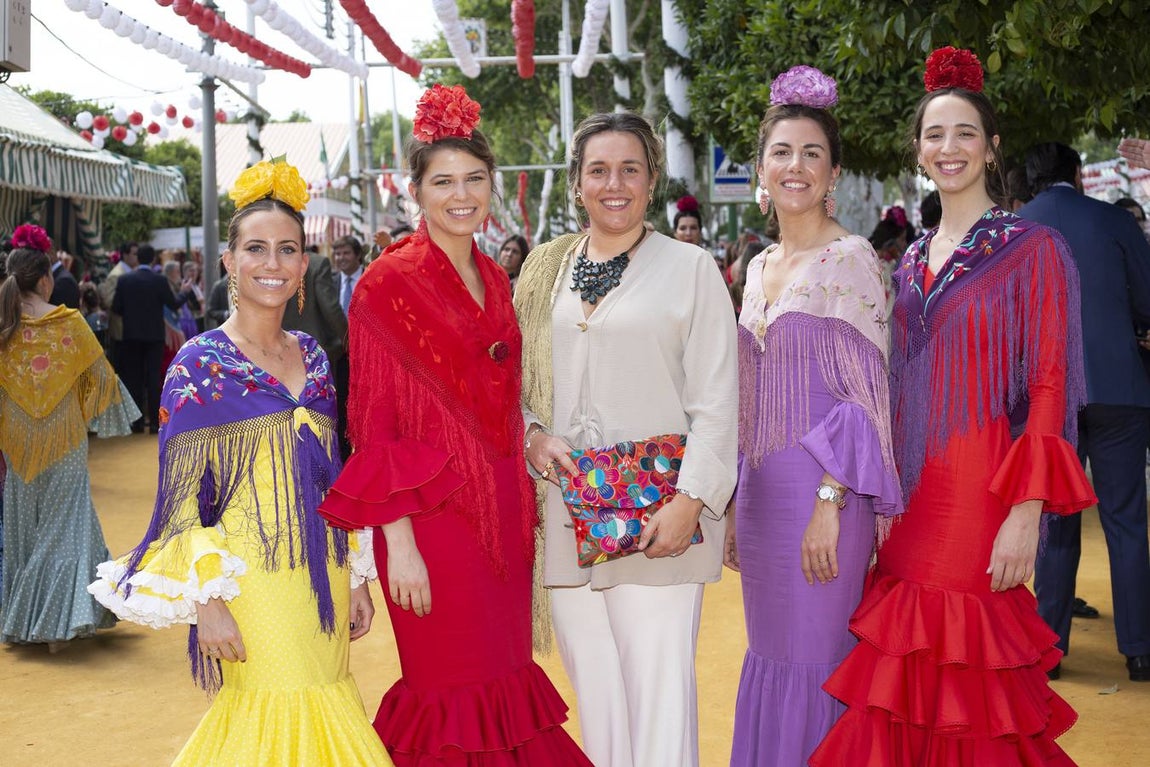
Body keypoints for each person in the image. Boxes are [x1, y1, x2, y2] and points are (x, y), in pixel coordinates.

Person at [812, 47, 1095, 765]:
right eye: (935, 135)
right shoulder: (907, 260)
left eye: (965, 132)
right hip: (910, 498)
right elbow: (889, 388)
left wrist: (1026, 513)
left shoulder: (1033, 248)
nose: (949, 147)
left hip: (982, 496)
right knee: (905, 684)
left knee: (969, 690)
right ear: (918, 151)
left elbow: (1050, 388)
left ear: (992, 146)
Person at [317, 85, 591, 766]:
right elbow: (374, 427)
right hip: (428, 525)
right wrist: (399, 543)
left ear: (492, 185)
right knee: (449, 692)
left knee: (502, 682)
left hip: (502, 514)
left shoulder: (498, 280)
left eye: (474, 179)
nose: (460, 194)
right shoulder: (386, 283)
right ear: (416, 189)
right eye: (443, 181)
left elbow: (503, 405)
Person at [88, 158, 389, 765]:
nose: (272, 264)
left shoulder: (314, 356)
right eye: (256, 249)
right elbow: (179, 504)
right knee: (273, 716)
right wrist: (209, 600)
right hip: (250, 580)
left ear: (305, 265)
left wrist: (355, 574)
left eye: (287, 250)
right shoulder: (199, 365)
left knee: (325, 704)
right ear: (228, 262)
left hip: (322, 579)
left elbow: (333, 476)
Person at [515, 110, 738, 767]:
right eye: (598, 170)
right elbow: (514, 382)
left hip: (656, 516)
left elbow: (719, 402)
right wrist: (529, 432)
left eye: (630, 169)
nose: (615, 184)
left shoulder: (691, 269)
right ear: (576, 182)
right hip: (565, 513)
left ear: (652, 182)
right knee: (600, 701)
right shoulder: (544, 272)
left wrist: (691, 501)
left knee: (658, 700)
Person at [727, 66, 903, 767]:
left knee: (819, 662)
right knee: (770, 654)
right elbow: (746, 397)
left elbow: (868, 398)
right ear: (761, 170)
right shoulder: (755, 266)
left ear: (834, 172)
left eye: (810, 154)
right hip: (764, 499)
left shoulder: (853, 259)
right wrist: (738, 496)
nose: (793, 166)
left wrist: (831, 500)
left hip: (826, 496)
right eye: (781, 152)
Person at [1019, 141, 1150, 682]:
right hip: (1120, 386)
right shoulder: (1112, 219)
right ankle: (1140, 649)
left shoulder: (1012, 230)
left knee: (1054, 519)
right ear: (1077, 173)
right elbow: (1146, 301)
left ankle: (1049, 648)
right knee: (1126, 520)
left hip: (1049, 397)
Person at [0, 224, 139, 649]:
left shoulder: (3, 327)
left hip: (17, 441)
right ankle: (58, 625)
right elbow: (100, 380)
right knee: (66, 524)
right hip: (64, 439)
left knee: (25, 525)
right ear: (46, 279)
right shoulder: (70, 324)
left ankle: (27, 619)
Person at [112, 244, 192, 433]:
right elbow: (173, 304)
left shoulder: (124, 280)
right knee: (154, 378)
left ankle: (137, 423)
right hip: (155, 336)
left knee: (134, 378)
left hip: (131, 336)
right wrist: (185, 292)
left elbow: (116, 308)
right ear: (153, 260)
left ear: (137, 258)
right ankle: (156, 423)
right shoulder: (159, 281)